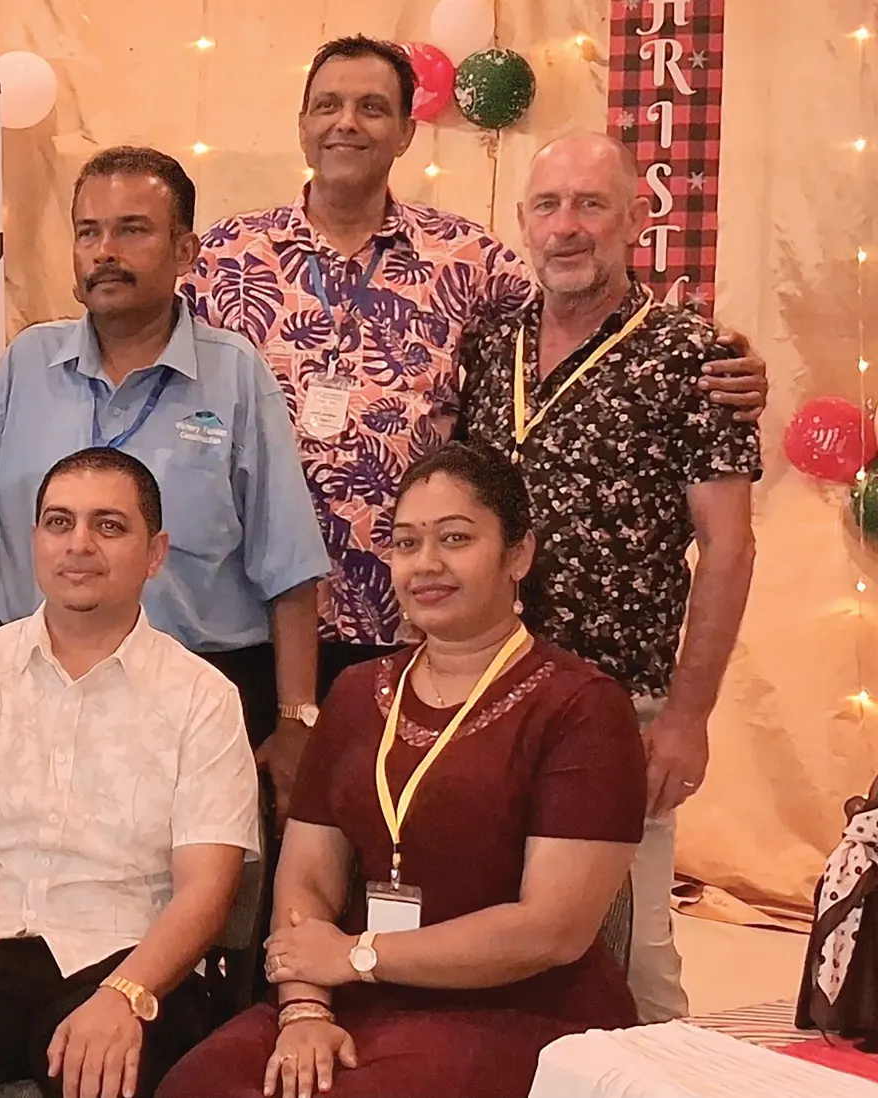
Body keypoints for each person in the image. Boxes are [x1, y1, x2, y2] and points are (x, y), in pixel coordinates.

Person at [181, 35, 766, 696]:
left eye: (372, 107)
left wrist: (717, 354)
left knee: (390, 800)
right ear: (302, 124)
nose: (346, 122)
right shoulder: (223, 256)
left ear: (406, 131)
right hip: (248, 613)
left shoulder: (468, 259)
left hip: (414, 628)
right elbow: (155, 360)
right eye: (328, 105)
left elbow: (582, 314)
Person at [155, 443, 647, 1098]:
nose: (427, 564)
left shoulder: (582, 706)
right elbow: (305, 878)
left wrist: (360, 956)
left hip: (518, 1009)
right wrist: (305, 1008)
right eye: (407, 543)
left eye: (456, 539)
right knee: (201, 1082)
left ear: (519, 555)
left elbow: (551, 929)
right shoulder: (358, 694)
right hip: (359, 995)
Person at [0, 447, 257, 1098]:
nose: (79, 544)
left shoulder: (203, 696)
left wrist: (127, 992)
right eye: (59, 523)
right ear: (34, 541)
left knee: (96, 1072)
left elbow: (208, 888)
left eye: (108, 526)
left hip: (130, 958)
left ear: (156, 552)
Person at [456, 133, 760, 1023]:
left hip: (617, 709)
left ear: (635, 221)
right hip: (489, 694)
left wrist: (689, 718)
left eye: (592, 205)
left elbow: (730, 548)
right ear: (522, 223)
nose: (567, 227)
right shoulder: (487, 347)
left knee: (633, 949)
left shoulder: (694, 360)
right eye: (548, 206)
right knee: (499, 929)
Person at [0, 147, 330, 822]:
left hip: (201, 691)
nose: (105, 251)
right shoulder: (25, 366)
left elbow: (290, 563)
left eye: (132, 230)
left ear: (185, 250)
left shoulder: (234, 375)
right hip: (33, 685)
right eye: (88, 232)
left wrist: (296, 717)